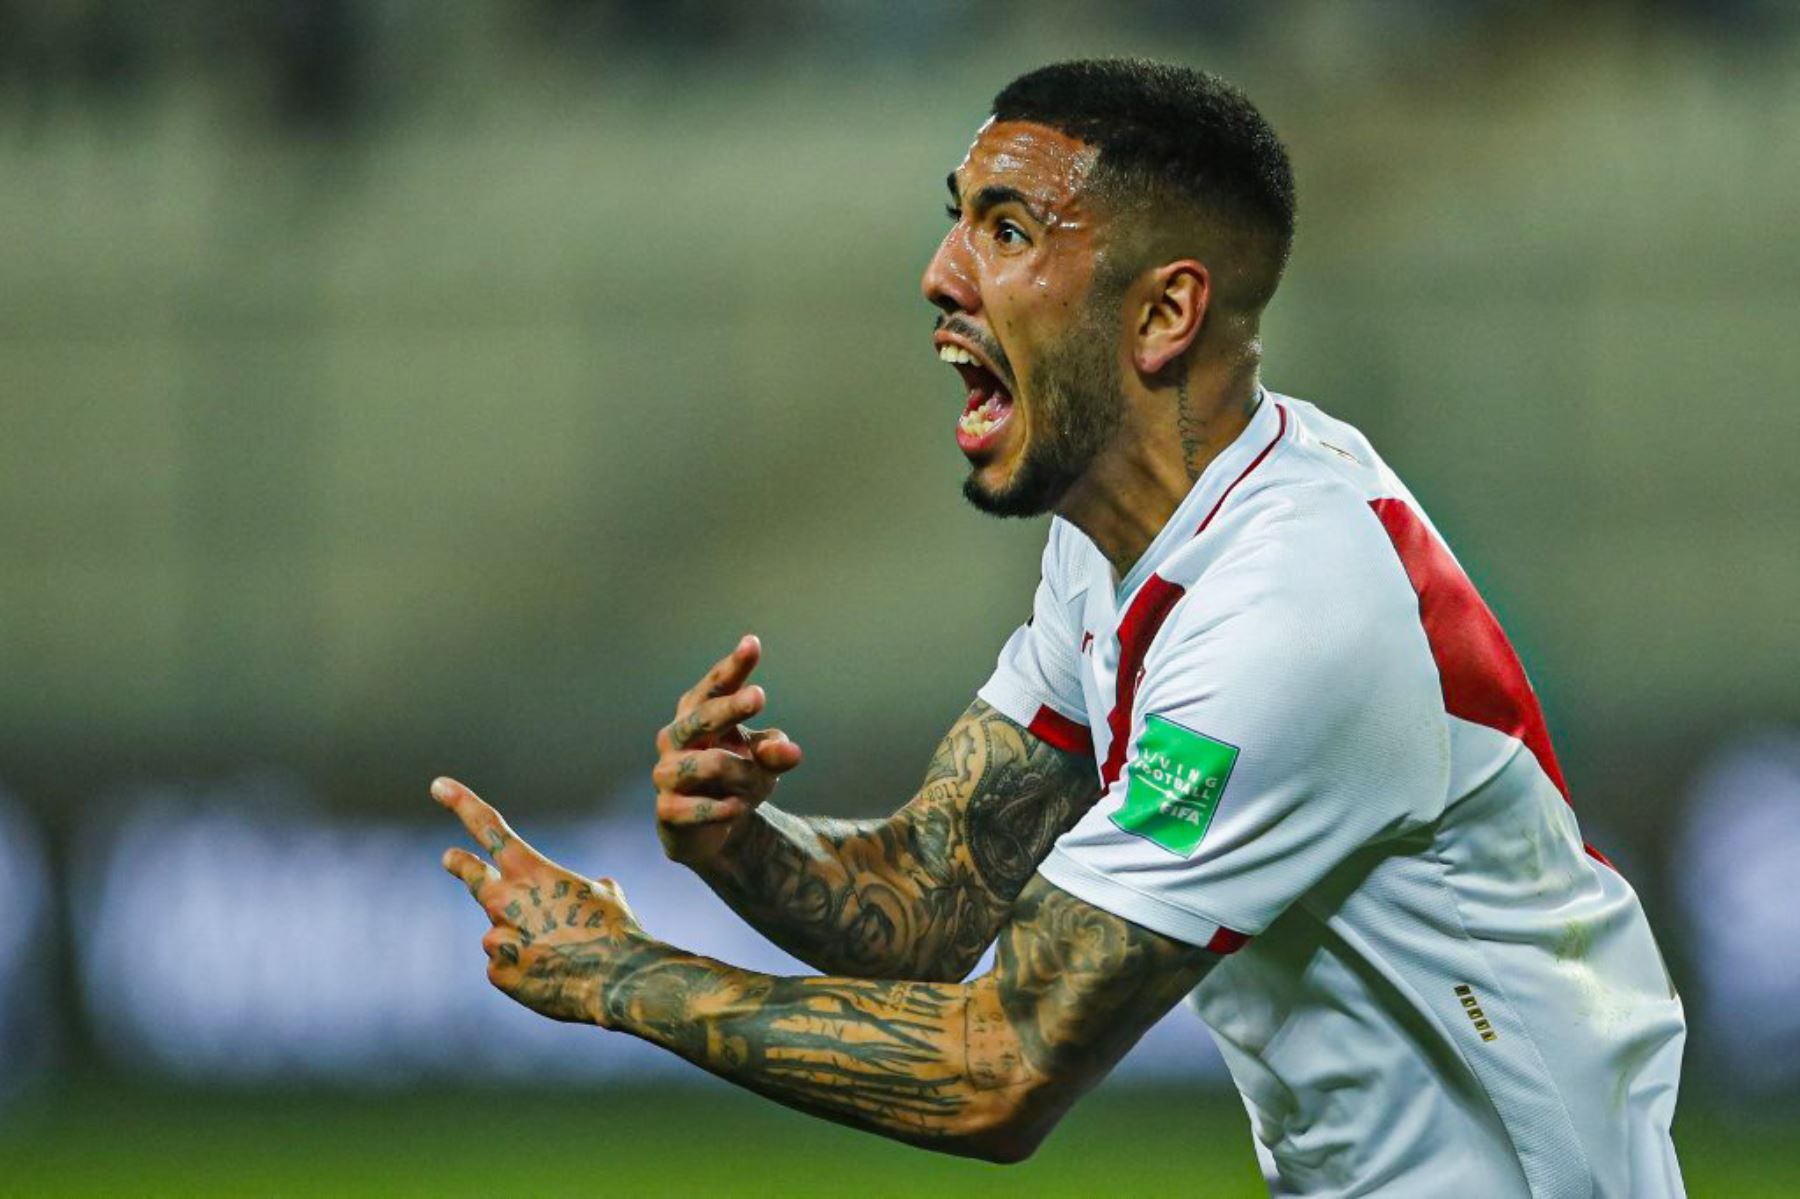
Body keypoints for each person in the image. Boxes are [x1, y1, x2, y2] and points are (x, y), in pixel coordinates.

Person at [433, 59, 1687, 1196]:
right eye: (957, 217)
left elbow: (1002, 1066)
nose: (941, 272)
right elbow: (939, 886)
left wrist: (624, 977)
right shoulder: (1122, 541)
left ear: (1162, 315)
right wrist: (739, 847)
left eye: (1008, 228)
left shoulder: (1295, 611)